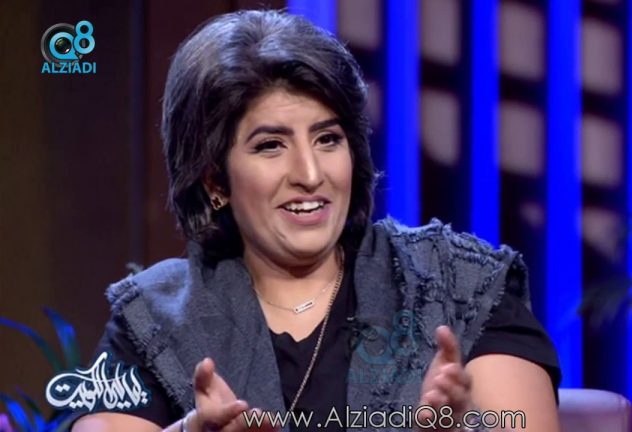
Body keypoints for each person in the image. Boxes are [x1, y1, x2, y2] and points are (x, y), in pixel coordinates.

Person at [70, 9, 560, 432]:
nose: (310, 174)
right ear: (215, 180)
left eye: (328, 139)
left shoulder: (460, 284)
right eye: (270, 145)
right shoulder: (156, 319)